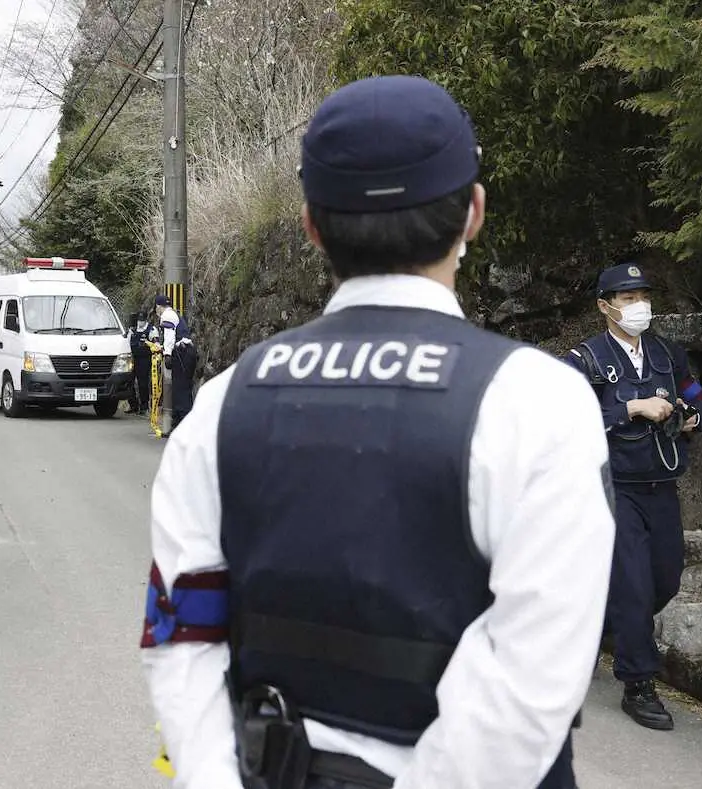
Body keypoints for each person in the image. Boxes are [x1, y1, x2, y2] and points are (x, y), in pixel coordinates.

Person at [139, 75, 616, 789]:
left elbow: (182, 633)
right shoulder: (540, 403)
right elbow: (531, 683)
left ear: (310, 225)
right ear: (474, 213)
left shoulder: (222, 403)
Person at [564, 263, 702, 731]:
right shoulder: (584, 359)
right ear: (604, 306)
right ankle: (639, 682)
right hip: (611, 489)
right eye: (628, 298)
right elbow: (562, 414)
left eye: (643, 296)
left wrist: (691, 418)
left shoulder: (668, 355)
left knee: (665, 580)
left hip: (661, 485)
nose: (639, 306)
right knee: (632, 583)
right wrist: (630, 407)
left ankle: (591, 626)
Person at [153, 295, 197, 433]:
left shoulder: (167, 315)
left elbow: (170, 336)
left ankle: (185, 428)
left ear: (158, 306)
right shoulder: (174, 314)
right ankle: (177, 425)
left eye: (156, 308)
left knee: (181, 390)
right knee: (181, 389)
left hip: (181, 354)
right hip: (186, 353)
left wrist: (167, 354)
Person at [128, 311, 158, 415]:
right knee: (129, 381)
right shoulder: (132, 330)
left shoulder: (151, 329)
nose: (140, 322)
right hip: (133, 358)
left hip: (144, 359)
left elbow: (155, 344)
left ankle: (144, 407)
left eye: (142, 320)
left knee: (143, 383)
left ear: (146, 320)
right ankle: (133, 405)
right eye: (139, 320)